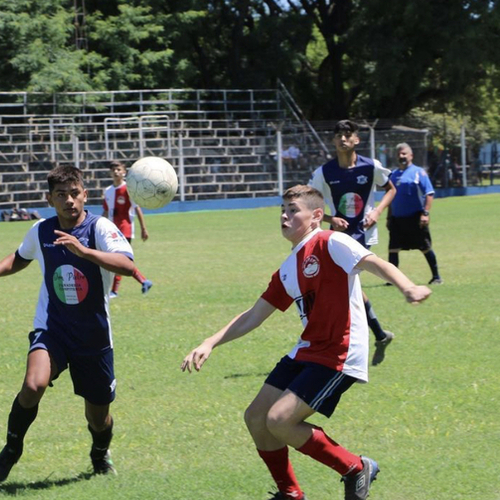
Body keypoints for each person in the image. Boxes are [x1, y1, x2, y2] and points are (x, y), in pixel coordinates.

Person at [181, 185, 431, 500]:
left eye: (293, 210)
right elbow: (254, 315)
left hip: (339, 352)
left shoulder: (331, 241)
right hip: (308, 350)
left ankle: (356, 468)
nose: (284, 216)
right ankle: (290, 494)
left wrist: (408, 287)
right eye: (282, 211)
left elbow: (374, 262)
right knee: (256, 417)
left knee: (280, 420)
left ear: (316, 216)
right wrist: (210, 342)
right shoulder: (289, 268)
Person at [0, 165, 136, 482]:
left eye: (74, 194)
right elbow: (20, 257)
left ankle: (99, 453)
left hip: (93, 336)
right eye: (61, 195)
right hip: (53, 328)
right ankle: (11, 449)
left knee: (98, 418)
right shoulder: (42, 230)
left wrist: (84, 251)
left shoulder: (99, 228)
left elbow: (127, 265)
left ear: (85, 195)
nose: (69, 201)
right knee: (33, 385)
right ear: (50, 199)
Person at [308, 120, 397, 366]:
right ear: (333, 141)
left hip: (362, 234)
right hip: (337, 237)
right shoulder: (324, 172)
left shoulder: (370, 166)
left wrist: (377, 211)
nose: (343, 139)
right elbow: (307, 203)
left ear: (356, 139)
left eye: (348, 135)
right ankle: (378, 334)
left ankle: (341, 345)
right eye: (338, 135)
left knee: (344, 287)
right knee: (348, 287)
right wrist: (330, 218)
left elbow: (391, 189)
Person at [387, 143, 442, 285]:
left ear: (411, 156)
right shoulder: (392, 175)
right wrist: (388, 217)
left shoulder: (419, 172)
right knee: (393, 249)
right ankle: (392, 280)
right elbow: (390, 197)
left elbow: (429, 193)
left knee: (425, 247)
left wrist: (425, 213)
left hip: (415, 218)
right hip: (397, 219)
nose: (401, 156)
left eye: (404, 153)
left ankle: (436, 277)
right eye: (399, 154)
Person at [102, 160, 153, 297]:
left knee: (119, 260)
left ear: (124, 172)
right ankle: (144, 281)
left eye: (119, 169)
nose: (116, 172)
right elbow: (106, 211)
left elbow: (137, 208)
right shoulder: (108, 191)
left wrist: (143, 228)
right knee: (119, 260)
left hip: (125, 229)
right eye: (113, 170)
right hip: (112, 230)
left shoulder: (128, 189)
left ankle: (114, 291)